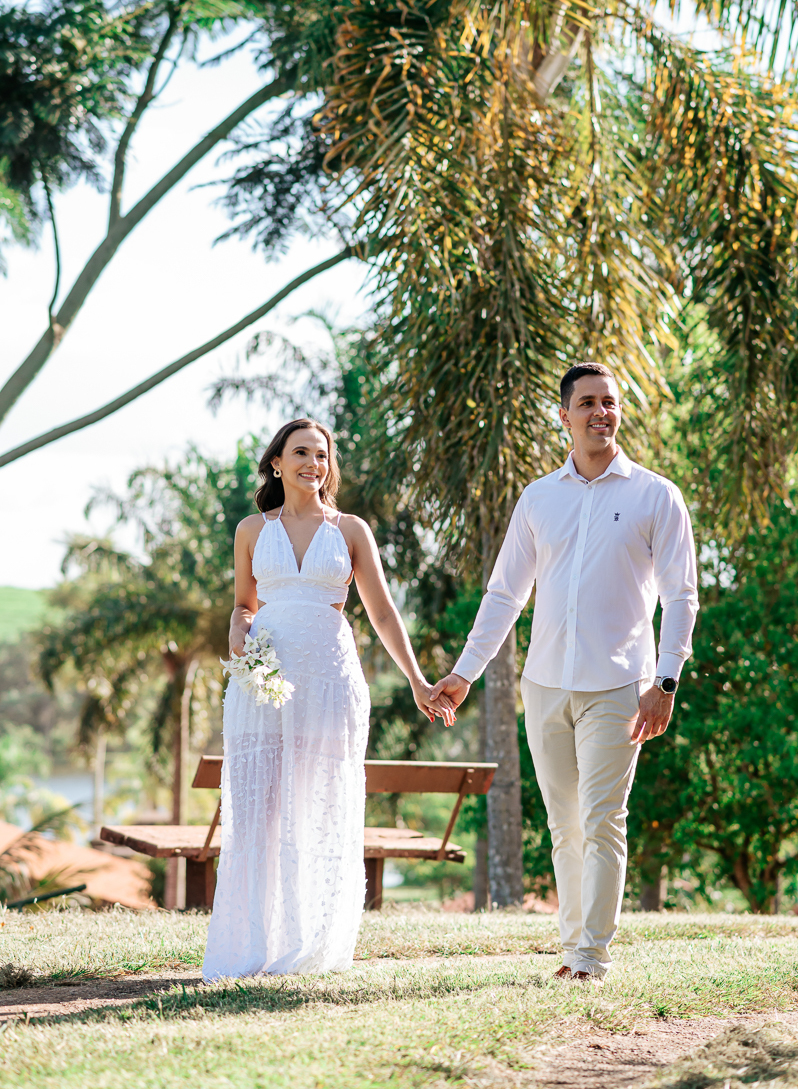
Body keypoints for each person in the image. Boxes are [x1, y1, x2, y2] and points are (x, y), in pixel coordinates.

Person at [430, 363, 698, 980]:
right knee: (564, 824)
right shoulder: (537, 497)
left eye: (609, 402)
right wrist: (466, 672)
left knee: (604, 818)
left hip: (620, 687)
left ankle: (589, 956)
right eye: (587, 403)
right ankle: (573, 942)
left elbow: (681, 597)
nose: (600, 413)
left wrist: (665, 683)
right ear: (565, 416)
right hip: (545, 683)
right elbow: (504, 595)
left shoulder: (656, 495)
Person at [203, 418, 453, 980]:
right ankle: (251, 945)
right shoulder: (250, 530)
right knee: (259, 810)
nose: (313, 464)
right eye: (301, 453)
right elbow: (244, 605)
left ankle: (313, 942)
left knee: (318, 802)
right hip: (262, 679)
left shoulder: (351, 531)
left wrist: (415, 679)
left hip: (329, 679)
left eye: (322, 455)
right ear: (277, 463)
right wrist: (238, 632)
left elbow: (384, 611)